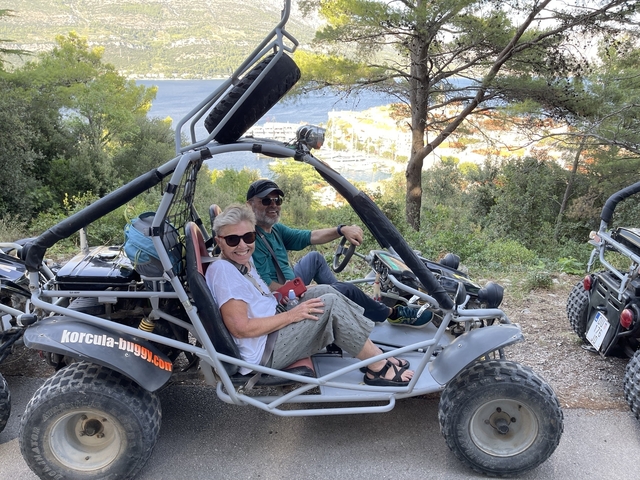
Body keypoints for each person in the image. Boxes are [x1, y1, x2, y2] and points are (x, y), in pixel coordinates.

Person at [205, 204, 413, 386]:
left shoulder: (240, 263)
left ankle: (373, 354)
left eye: (248, 237)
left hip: (272, 328)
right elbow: (241, 329)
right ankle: (377, 367)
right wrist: (292, 315)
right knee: (329, 304)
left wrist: (280, 299)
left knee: (326, 291)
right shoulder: (224, 271)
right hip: (265, 352)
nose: (242, 246)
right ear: (219, 241)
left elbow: (256, 302)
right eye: (233, 240)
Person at [246, 179, 432, 327]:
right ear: (249, 205)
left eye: (277, 200)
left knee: (315, 258)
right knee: (347, 289)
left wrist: (340, 230)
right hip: (282, 299)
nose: (273, 205)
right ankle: (391, 314)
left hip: (290, 281)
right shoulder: (248, 239)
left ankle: (343, 303)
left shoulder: (275, 229)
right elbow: (265, 286)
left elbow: (310, 236)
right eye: (265, 200)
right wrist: (303, 290)